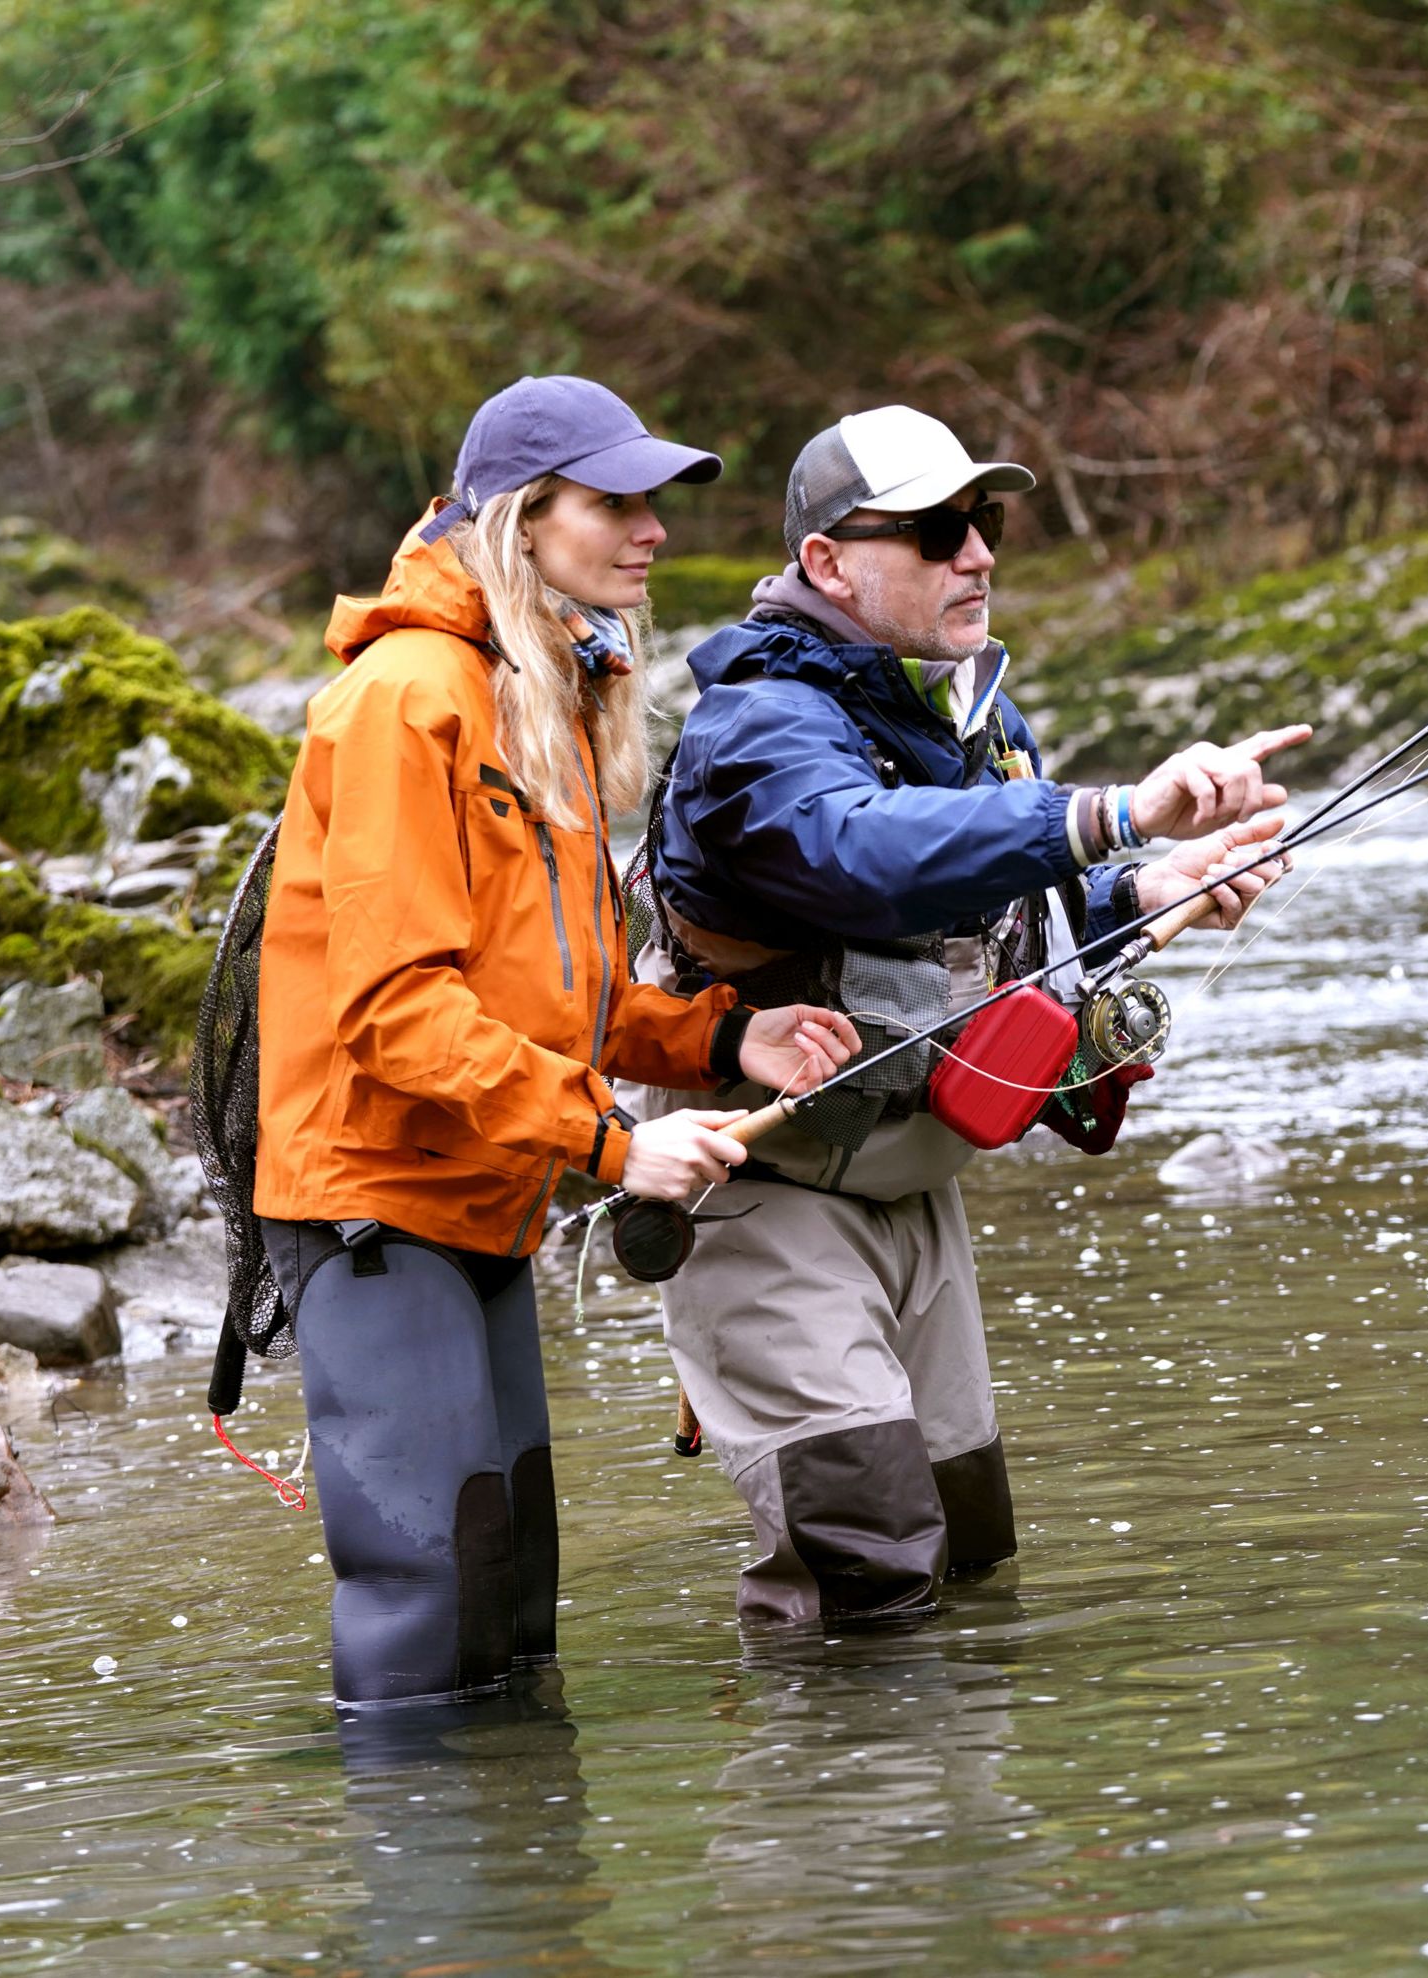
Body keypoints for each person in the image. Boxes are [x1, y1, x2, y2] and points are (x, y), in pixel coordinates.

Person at [628, 404, 1306, 1627]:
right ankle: (835, 1809)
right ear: (828, 562)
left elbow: (1000, 912)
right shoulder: (753, 728)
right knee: (867, 1579)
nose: (978, 555)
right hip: (768, 1193)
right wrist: (1107, 813)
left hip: (911, 1187)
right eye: (938, 530)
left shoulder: (964, 709)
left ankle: (956, 1820)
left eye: (981, 522)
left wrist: (1149, 889)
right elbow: (859, 856)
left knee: (970, 1553)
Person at [250, 375, 860, 1708]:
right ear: (525, 519)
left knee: (515, 1593)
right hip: (374, 1196)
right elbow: (396, 1009)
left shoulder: (550, 690)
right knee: (428, 1593)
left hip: (484, 1183)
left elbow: (558, 992)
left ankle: (529, 1903)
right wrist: (614, 1141)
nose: (652, 530)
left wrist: (726, 1036)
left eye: (655, 503)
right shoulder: (409, 699)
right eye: (616, 502)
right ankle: (434, 1893)